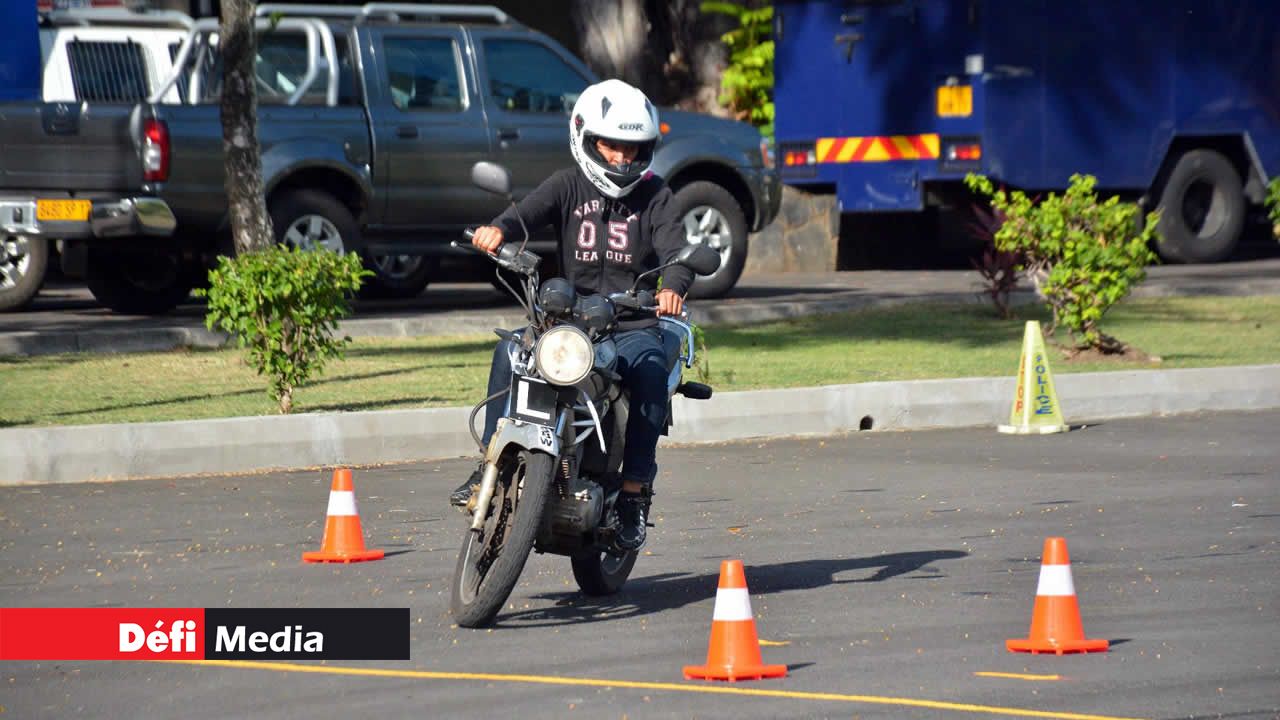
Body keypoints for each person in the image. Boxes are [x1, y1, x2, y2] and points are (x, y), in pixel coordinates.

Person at [449, 79, 694, 551]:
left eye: (632, 148)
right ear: (585, 137)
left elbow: (677, 252)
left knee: (649, 375)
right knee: (510, 352)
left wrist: (672, 288)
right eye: (611, 145)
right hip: (565, 322)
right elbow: (524, 215)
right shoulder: (567, 185)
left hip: (629, 325)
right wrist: (497, 232)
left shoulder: (656, 196)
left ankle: (633, 494)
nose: (622, 157)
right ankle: (488, 466)